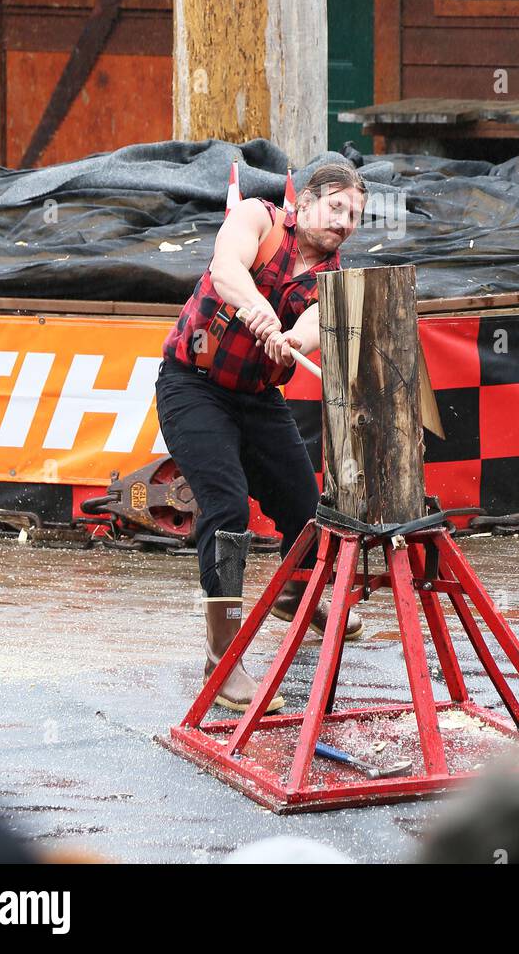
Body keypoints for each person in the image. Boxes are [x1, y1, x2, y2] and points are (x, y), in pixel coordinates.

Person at [155, 161, 368, 712]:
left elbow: (318, 326)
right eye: (336, 208)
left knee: (307, 508)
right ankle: (222, 659)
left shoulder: (337, 281)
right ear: (306, 204)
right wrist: (258, 313)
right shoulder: (258, 218)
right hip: (193, 386)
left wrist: (290, 336)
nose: (344, 223)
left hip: (258, 398)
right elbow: (227, 269)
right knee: (226, 508)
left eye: (356, 216)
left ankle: (295, 592)